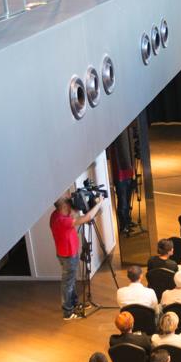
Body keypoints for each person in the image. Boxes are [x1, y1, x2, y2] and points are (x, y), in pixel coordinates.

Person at [49, 191, 104, 319]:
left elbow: (73, 213)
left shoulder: (56, 214)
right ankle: (68, 312)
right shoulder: (62, 220)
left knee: (71, 280)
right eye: (68, 202)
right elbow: (87, 217)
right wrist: (99, 203)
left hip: (65, 253)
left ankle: (74, 304)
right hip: (68, 255)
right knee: (68, 284)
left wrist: (75, 202)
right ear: (64, 206)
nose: (70, 203)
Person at [110, 131, 136, 235]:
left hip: (128, 172)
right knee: (123, 201)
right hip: (119, 174)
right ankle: (123, 225)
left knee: (127, 200)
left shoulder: (126, 133)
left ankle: (128, 221)